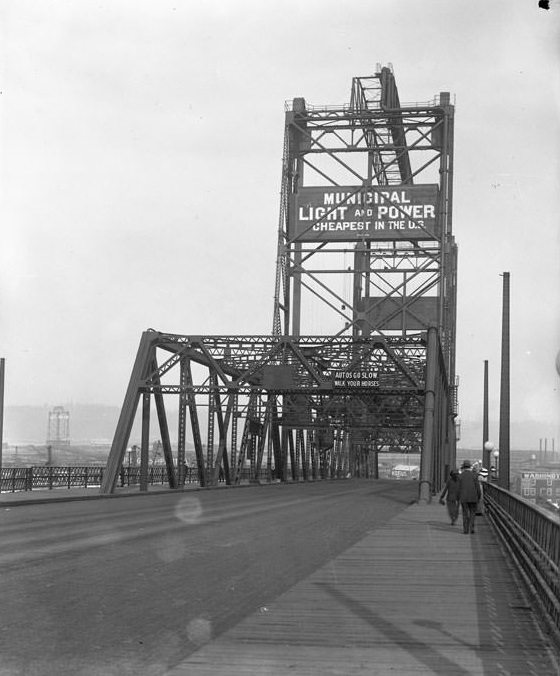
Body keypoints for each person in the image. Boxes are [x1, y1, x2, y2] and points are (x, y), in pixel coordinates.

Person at [458, 459, 482, 534]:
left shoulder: (460, 476)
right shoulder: (474, 475)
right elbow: (478, 487)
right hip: (473, 497)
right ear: (470, 467)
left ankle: (465, 529)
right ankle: (471, 528)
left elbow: (458, 488)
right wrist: (479, 496)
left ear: (463, 467)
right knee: (472, 513)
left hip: (464, 497)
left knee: (465, 513)